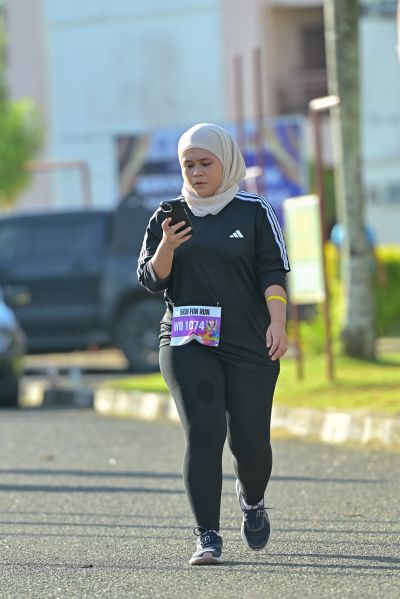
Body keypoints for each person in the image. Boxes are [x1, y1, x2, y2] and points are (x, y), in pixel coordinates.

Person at [137, 123, 290, 565]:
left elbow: (273, 272)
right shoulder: (168, 213)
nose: (197, 172)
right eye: (189, 165)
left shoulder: (254, 211)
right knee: (204, 432)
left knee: (251, 444)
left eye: (206, 163)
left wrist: (278, 323)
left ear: (226, 162)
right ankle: (207, 535)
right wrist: (167, 246)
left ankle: (252, 499)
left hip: (249, 340)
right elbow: (150, 279)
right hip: (187, 338)